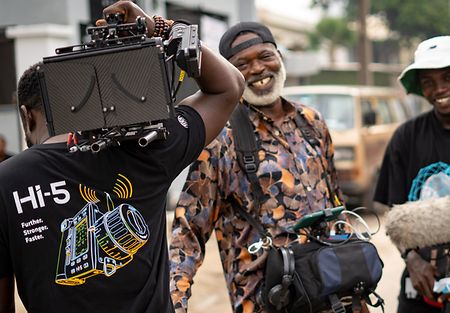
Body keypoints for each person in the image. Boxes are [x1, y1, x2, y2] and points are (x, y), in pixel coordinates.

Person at [0, 1, 244, 312]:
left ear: (26, 115)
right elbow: (229, 87)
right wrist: (159, 28)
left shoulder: (5, 182)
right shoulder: (146, 146)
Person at [169, 22, 343, 313]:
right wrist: (173, 301)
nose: (258, 69)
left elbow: (336, 200)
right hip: (267, 301)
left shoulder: (312, 122)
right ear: (231, 75)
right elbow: (188, 232)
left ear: (280, 58)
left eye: (265, 56)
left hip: (334, 293)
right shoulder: (221, 138)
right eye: (242, 64)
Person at [374, 35, 450, 313]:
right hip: (422, 290)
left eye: (447, 77)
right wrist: (413, 261)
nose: (440, 89)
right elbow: (394, 214)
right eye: (429, 82)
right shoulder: (406, 138)